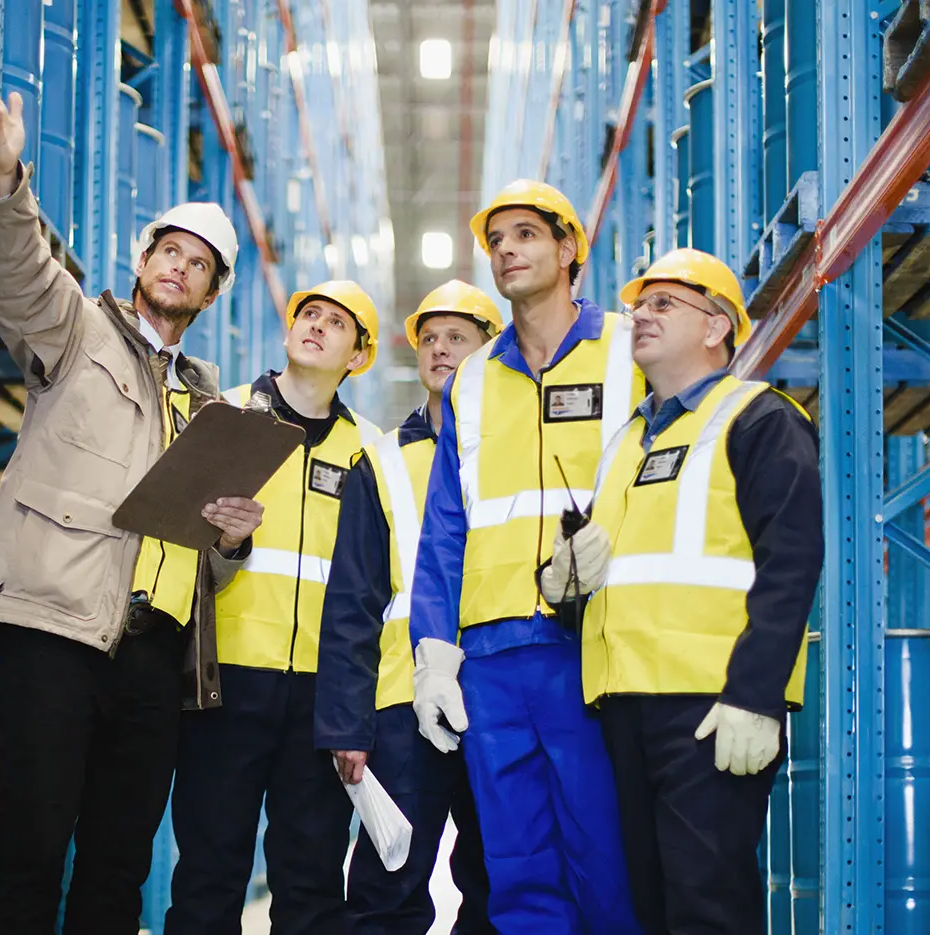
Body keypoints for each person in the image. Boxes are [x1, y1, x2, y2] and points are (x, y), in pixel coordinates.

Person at [0, 67, 266, 934]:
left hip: (154, 660)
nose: (180, 266)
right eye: (170, 250)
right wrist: (9, 180)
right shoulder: (78, 329)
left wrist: (234, 540)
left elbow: (205, 542)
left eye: (198, 264)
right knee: (31, 848)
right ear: (142, 260)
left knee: (119, 867)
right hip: (59, 633)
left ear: (210, 294)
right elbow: (18, 276)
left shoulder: (212, 402)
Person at [557, 249, 823, 934]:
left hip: (711, 709)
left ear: (717, 327)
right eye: (639, 305)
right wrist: (562, 582)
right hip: (622, 707)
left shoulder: (760, 419)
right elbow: (612, 574)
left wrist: (756, 696)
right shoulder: (627, 442)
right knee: (649, 905)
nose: (640, 314)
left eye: (664, 303)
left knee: (708, 904)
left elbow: (791, 562)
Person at [408, 180, 645, 933]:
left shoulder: (627, 347)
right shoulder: (476, 377)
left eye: (525, 235)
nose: (507, 249)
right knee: (516, 868)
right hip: (491, 656)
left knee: (606, 857)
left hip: (591, 645)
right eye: (497, 240)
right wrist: (434, 653)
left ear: (569, 246)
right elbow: (447, 524)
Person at [166, 280, 383, 935]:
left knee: (312, 879)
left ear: (358, 354)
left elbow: (379, 584)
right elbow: (170, 540)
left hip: (323, 694)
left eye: (336, 322)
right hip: (225, 680)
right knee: (207, 871)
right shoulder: (223, 415)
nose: (316, 325)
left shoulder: (371, 452)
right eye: (307, 313)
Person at [315, 280, 503, 935]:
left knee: (499, 885)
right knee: (386, 889)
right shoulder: (383, 462)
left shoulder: (515, 452)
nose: (440, 349)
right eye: (429, 338)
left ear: (492, 349)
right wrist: (346, 723)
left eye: (458, 337)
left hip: (501, 697)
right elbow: (351, 604)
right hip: (400, 709)